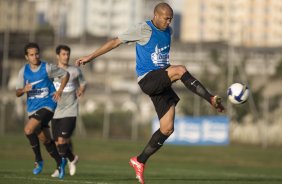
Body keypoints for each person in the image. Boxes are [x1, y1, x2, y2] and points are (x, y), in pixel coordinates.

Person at [75, 3, 224, 184]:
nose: (169, 22)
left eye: (171, 19)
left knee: (167, 128)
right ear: (156, 15)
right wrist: (90, 57)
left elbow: (162, 61)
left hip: (161, 79)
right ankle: (209, 97)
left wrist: (170, 72)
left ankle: (139, 160)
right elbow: (115, 42)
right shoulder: (143, 29)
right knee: (180, 69)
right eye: (166, 18)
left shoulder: (168, 32)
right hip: (148, 79)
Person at [16, 42, 70, 179]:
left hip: (48, 105)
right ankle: (60, 162)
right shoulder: (23, 71)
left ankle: (38, 160)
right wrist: (24, 90)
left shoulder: (47, 67)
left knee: (28, 130)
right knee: (45, 140)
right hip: (32, 109)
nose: (35, 57)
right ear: (26, 57)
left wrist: (60, 90)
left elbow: (66, 74)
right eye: (32, 55)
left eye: (37, 54)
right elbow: (17, 92)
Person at [50, 45, 87, 178]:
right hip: (55, 111)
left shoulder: (75, 71)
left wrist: (82, 89)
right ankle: (72, 159)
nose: (66, 57)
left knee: (61, 141)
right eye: (63, 54)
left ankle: (60, 167)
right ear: (57, 56)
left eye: (68, 54)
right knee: (56, 143)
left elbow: (83, 83)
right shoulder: (52, 71)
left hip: (70, 110)